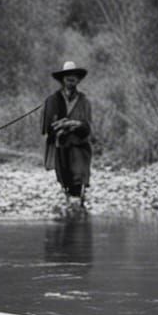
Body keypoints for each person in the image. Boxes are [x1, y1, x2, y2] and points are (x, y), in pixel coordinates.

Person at [41, 60, 93, 206]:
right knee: (65, 178)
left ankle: (77, 201)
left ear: (78, 80)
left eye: (74, 77)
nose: (71, 80)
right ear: (63, 79)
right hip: (61, 145)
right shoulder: (52, 100)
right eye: (68, 77)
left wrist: (73, 124)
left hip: (79, 145)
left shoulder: (84, 101)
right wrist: (59, 126)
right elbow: (47, 128)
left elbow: (87, 127)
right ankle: (71, 203)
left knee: (79, 175)